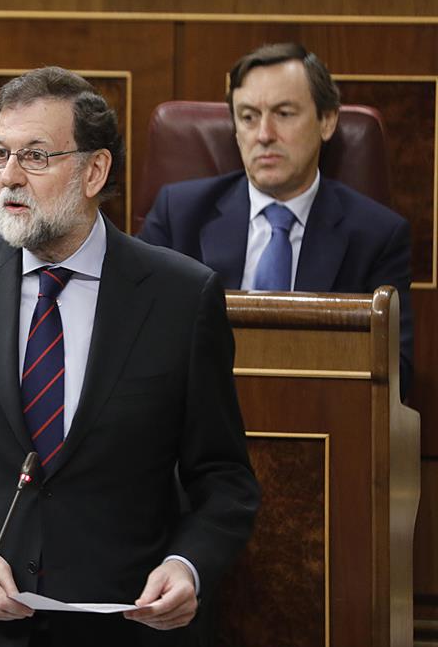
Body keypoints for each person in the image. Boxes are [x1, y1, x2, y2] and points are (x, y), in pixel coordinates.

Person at [0, 67, 260, 647]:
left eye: (36, 156)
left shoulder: (183, 296)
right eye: (0, 154)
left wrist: (188, 565)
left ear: (94, 172)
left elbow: (224, 478)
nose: (9, 177)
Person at [140, 43, 414, 397]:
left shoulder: (377, 236)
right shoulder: (178, 215)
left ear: (327, 120)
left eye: (284, 113)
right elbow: (135, 341)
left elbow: (396, 376)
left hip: (320, 424)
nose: (264, 134)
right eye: (249, 116)